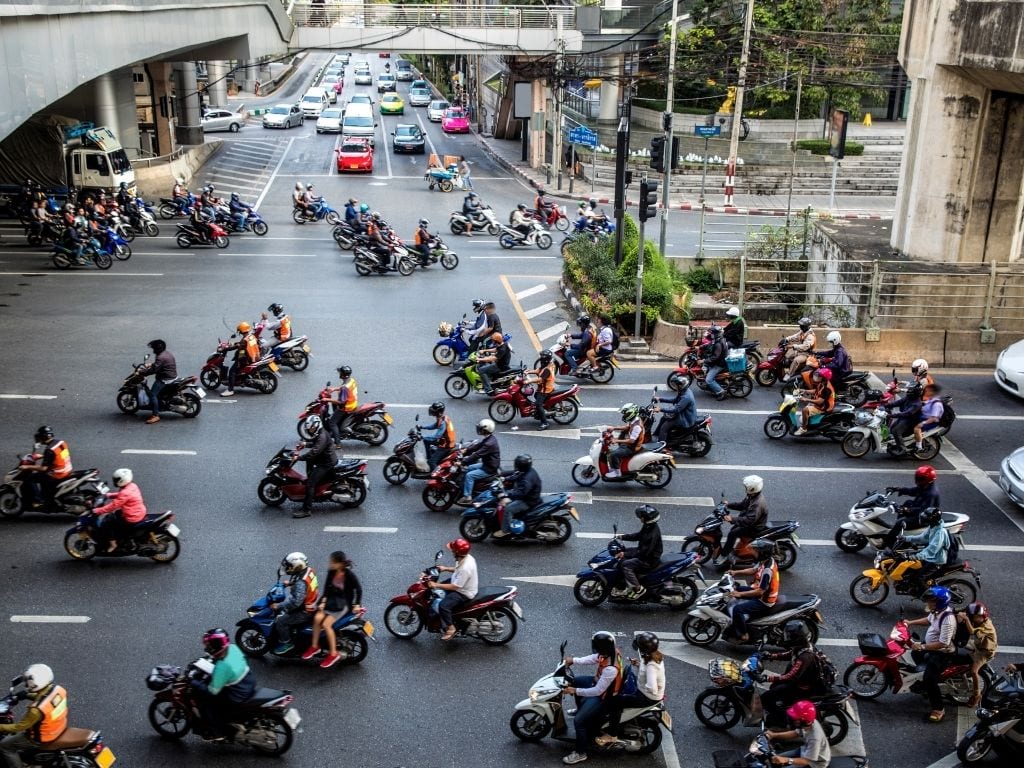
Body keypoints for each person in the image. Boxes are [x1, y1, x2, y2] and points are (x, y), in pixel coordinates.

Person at [560, 631, 624, 764]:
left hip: (603, 697)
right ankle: (581, 708)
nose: (596, 649)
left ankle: (580, 752)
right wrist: (574, 660)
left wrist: (575, 691)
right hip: (599, 683)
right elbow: (594, 658)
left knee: (579, 721)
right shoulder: (611, 652)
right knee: (575, 680)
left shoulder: (610, 669)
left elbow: (597, 691)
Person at [596, 632, 665, 746]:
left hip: (646, 697)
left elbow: (652, 687)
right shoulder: (654, 655)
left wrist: (647, 685)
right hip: (647, 693)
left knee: (615, 702)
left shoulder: (651, 666)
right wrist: (638, 664)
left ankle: (612, 735)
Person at [762, 622, 831, 726]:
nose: (787, 638)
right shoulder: (806, 647)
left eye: (789, 636)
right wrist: (772, 656)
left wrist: (767, 678)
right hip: (800, 681)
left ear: (797, 639)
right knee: (775, 688)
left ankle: (780, 722)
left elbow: (790, 676)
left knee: (766, 697)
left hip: (801, 687)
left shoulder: (805, 657)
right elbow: (790, 654)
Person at [192, 628, 256, 740]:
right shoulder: (233, 648)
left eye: (209, 645)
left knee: (207, 704)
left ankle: (218, 732)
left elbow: (212, 691)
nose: (207, 648)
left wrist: (195, 683)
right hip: (248, 681)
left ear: (215, 647)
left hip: (238, 693)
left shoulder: (223, 666)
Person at [302, 551, 363, 668]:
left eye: (332, 562)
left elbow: (358, 589)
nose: (330, 564)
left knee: (326, 624)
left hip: (344, 604)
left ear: (340, 564)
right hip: (331, 602)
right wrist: (322, 602)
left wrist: (357, 604)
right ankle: (315, 646)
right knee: (317, 618)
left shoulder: (349, 575)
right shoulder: (331, 572)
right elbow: (326, 589)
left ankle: (333, 653)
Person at [0, 664, 69, 766]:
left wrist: (1, 727)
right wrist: (25, 695)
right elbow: (46, 699)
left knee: (5, 746)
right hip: (59, 726)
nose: (26, 683)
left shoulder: (36, 710)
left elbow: (19, 727)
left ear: (34, 683)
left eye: (27, 681)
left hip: (41, 738)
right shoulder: (58, 690)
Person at [906, 586, 957, 722]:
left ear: (939, 602)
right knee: (913, 654)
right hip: (931, 647)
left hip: (942, 653)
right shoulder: (936, 611)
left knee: (930, 678)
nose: (928, 603)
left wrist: (922, 646)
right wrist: (910, 623)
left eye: (931, 601)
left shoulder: (948, 619)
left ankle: (939, 709)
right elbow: (928, 620)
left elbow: (943, 643)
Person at [728, 539, 779, 642]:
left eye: (756, 551)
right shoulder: (766, 561)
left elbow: (760, 592)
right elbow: (753, 570)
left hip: (764, 600)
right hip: (758, 591)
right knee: (735, 589)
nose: (753, 552)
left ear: (762, 553)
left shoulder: (767, 571)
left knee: (737, 610)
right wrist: (735, 572)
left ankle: (744, 634)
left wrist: (740, 594)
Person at [427, 538, 478, 641]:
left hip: (464, 592)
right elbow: (457, 570)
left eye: (453, 550)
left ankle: (451, 628)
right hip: (462, 583)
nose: (452, 552)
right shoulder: (466, 558)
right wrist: (445, 568)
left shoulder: (465, 568)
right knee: (441, 588)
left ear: (457, 552)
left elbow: (455, 586)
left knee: (443, 606)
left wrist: (436, 585)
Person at [270, 552, 320, 654]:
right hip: (313, 602)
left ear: (297, 566)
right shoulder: (309, 571)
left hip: (305, 611)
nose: (288, 568)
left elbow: (295, 603)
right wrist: (291, 583)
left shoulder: (301, 583)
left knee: (281, 621)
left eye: (289, 566)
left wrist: (279, 606)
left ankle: (286, 643)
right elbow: (305, 585)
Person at [92, 468, 147, 553]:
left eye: (116, 480)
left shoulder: (125, 493)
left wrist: (98, 510)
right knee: (116, 515)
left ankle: (113, 544)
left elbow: (113, 506)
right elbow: (121, 495)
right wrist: (109, 495)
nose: (115, 481)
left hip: (132, 517)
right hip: (139, 511)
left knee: (107, 522)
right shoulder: (132, 486)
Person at [294, 415, 338, 519]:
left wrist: (299, 458)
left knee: (310, 484)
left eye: (312, 428)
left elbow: (315, 451)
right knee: (309, 461)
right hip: (324, 458)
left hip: (326, 463)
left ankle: (306, 510)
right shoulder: (320, 433)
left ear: (317, 426)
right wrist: (305, 444)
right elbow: (315, 444)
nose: (310, 430)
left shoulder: (322, 436)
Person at [766, 700, 831, 768]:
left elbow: (806, 761)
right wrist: (773, 735)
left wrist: (786, 760)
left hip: (814, 763)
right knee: (773, 758)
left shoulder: (815, 738)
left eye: (795, 719)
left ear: (804, 720)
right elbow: (795, 733)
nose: (793, 720)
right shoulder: (810, 722)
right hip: (805, 750)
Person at [616, 504, 663, 598]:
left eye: (641, 517)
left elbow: (642, 553)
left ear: (646, 518)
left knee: (626, 565)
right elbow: (638, 535)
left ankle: (638, 588)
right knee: (624, 552)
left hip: (648, 560)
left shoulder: (652, 534)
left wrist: (625, 554)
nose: (640, 518)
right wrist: (622, 537)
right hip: (645, 553)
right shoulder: (649, 526)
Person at [957, 601, 997, 707]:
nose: (974, 619)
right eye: (972, 617)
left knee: (974, 671)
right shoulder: (979, 621)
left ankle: (977, 695)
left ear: (982, 616)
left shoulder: (987, 626)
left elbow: (972, 632)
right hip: (977, 645)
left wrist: (965, 619)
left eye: (976, 617)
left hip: (984, 652)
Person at [719, 475, 768, 561]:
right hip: (752, 522)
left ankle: (724, 555)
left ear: (752, 488)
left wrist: (732, 519)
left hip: (754, 527)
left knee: (732, 533)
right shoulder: (752, 496)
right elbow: (742, 505)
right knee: (733, 530)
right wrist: (728, 504)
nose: (745, 488)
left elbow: (749, 520)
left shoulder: (757, 503)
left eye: (746, 487)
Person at [24, 425, 72, 509]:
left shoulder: (49, 450)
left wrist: (27, 467)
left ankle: (38, 501)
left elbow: (43, 468)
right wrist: (43, 456)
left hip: (57, 474)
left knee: (30, 478)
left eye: (39, 437)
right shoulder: (61, 442)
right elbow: (60, 455)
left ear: (43, 437)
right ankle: (46, 495)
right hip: (67, 469)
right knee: (41, 476)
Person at [900, 506, 950, 584]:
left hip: (936, 561)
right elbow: (922, 538)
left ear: (931, 519)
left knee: (918, 579)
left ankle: (924, 595)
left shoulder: (940, 532)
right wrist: (906, 538)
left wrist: (916, 556)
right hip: (930, 557)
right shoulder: (933, 527)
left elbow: (931, 550)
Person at [495, 454, 542, 537]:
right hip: (528, 495)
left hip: (528, 501)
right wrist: (504, 476)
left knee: (508, 509)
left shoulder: (527, 479)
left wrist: (506, 494)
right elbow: (516, 474)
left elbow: (520, 493)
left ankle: (505, 531)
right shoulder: (528, 471)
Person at [457, 419, 500, 505]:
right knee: (468, 468)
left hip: (489, 468)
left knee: (469, 476)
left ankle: (467, 497)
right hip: (487, 463)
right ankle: (468, 488)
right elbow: (478, 446)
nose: (479, 430)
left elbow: (477, 455)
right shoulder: (489, 438)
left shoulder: (489, 444)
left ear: (485, 430)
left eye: (481, 428)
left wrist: (463, 462)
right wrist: (466, 450)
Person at [140, 339, 177, 424]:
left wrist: (143, 372)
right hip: (172, 376)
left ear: (157, 349)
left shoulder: (160, 357)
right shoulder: (167, 353)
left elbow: (154, 370)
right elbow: (159, 365)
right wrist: (150, 364)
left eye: (154, 349)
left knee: (152, 394)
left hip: (165, 379)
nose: (153, 351)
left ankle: (155, 415)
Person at [653, 376, 698, 442]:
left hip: (685, 419)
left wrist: (660, 409)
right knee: (663, 418)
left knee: (664, 428)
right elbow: (675, 400)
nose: (675, 387)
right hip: (683, 414)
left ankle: (660, 447)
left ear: (681, 386)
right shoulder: (684, 391)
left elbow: (676, 409)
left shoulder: (686, 397)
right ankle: (656, 435)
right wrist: (660, 399)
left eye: (676, 385)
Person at [221, 321, 259, 397]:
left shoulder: (245, 340)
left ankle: (230, 390)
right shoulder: (251, 336)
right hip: (255, 357)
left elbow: (238, 346)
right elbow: (241, 345)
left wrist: (227, 348)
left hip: (247, 359)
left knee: (232, 371)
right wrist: (236, 344)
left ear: (241, 331)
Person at [606, 403, 644, 479]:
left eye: (626, 414)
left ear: (631, 413)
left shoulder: (637, 426)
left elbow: (631, 441)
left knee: (614, 454)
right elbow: (627, 427)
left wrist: (616, 440)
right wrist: (614, 428)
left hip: (632, 447)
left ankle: (617, 472)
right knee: (611, 451)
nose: (624, 416)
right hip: (630, 444)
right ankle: (614, 467)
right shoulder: (634, 420)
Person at [795, 367, 835, 436]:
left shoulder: (826, 388)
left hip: (824, 407)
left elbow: (820, 402)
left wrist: (806, 399)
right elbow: (815, 391)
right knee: (808, 406)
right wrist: (803, 390)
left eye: (819, 376)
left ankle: (803, 428)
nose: (817, 376)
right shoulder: (822, 383)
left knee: (805, 410)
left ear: (824, 378)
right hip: (821, 404)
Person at [324, 365, 359, 444]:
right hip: (353, 403)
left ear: (343, 375)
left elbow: (341, 402)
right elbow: (343, 387)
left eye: (340, 372)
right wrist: (334, 389)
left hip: (346, 407)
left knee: (332, 423)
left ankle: (337, 443)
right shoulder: (351, 380)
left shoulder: (344, 388)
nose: (339, 373)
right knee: (334, 406)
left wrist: (327, 399)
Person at [420, 401, 457, 470]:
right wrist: (423, 427)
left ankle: (436, 475)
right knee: (426, 440)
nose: (432, 411)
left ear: (438, 412)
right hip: (443, 440)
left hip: (446, 445)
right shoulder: (442, 417)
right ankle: (429, 457)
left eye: (434, 410)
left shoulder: (443, 422)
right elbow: (434, 425)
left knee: (432, 462)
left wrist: (422, 437)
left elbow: (437, 436)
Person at [527, 350, 557, 429]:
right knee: (536, 395)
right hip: (545, 387)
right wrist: (528, 372)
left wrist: (529, 380)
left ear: (544, 358)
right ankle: (542, 412)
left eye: (541, 356)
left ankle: (544, 423)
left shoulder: (547, 369)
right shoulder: (548, 364)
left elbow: (540, 379)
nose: (539, 358)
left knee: (538, 404)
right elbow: (539, 370)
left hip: (545, 389)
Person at [782, 318, 816, 382]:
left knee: (796, 360)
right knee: (787, 357)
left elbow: (805, 347)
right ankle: (791, 370)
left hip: (807, 354)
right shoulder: (803, 332)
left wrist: (793, 346)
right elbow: (796, 336)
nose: (800, 326)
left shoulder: (810, 336)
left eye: (802, 325)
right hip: (800, 352)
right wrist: (786, 339)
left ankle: (789, 374)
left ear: (806, 326)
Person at [914, 383, 945, 452]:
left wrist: (923, 423)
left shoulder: (936, 404)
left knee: (916, 428)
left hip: (931, 421)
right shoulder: (931, 400)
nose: (926, 392)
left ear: (933, 392)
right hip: (923, 417)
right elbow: (923, 404)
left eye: (928, 391)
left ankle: (919, 447)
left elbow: (933, 418)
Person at [701, 325, 729, 401]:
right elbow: (710, 344)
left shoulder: (718, 344)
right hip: (719, 361)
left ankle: (721, 392)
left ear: (716, 334)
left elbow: (715, 357)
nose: (711, 334)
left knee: (708, 380)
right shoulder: (719, 339)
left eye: (712, 333)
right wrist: (701, 347)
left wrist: (704, 360)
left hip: (719, 364)